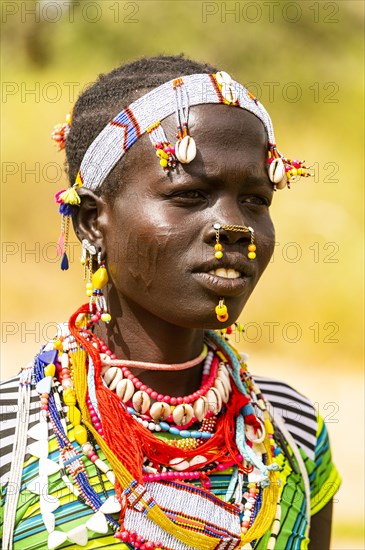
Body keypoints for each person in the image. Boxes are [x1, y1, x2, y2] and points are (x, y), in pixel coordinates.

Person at [0, 55, 340, 550]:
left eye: (256, 200)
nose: (233, 226)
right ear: (93, 221)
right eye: (190, 195)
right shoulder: (13, 433)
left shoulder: (292, 431)